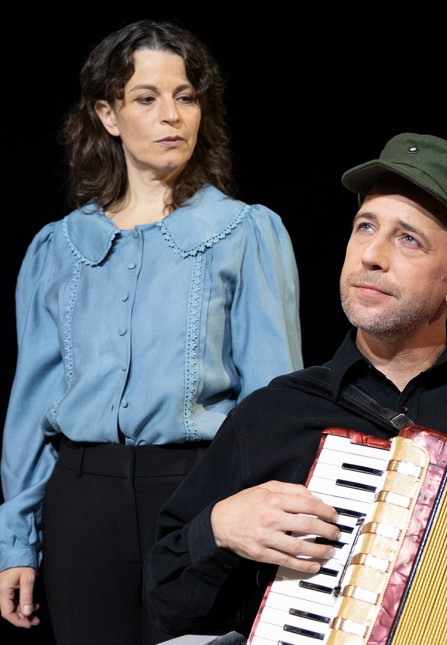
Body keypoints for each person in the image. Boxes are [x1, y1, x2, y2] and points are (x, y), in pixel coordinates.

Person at [144, 132, 447, 643]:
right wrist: (219, 529)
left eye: (408, 239)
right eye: (365, 227)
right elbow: (166, 605)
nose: (372, 255)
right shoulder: (273, 416)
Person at [0, 19, 303, 645]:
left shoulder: (244, 232)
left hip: (200, 495)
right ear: (107, 115)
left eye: (185, 96)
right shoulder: (59, 247)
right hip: (82, 503)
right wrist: (17, 542)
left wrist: (266, 517)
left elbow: (273, 402)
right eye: (147, 98)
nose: (172, 115)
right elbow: (32, 407)